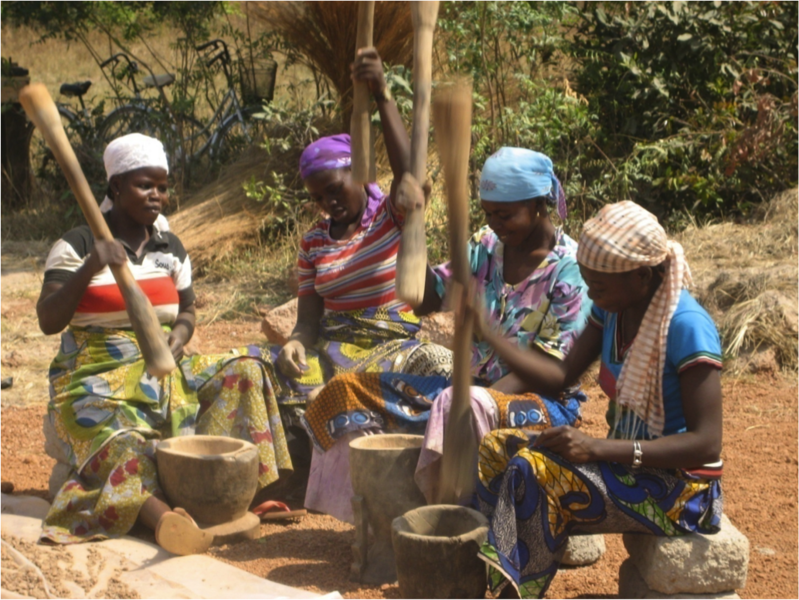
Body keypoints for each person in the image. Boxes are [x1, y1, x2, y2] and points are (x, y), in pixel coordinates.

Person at [301, 148, 592, 520]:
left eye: (505, 215)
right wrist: (411, 226)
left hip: (541, 405)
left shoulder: (569, 270)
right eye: (488, 213)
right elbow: (426, 300)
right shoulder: (487, 246)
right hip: (463, 391)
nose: (495, 224)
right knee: (346, 391)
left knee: (461, 406)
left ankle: (451, 522)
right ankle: (375, 520)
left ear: (538, 204)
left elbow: (552, 374)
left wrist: (479, 363)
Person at [37, 133, 292, 555]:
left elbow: (187, 310)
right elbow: (48, 319)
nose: (157, 195)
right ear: (116, 186)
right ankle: (164, 520)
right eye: (145, 185)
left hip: (164, 368)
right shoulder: (77, 244)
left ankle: (237, 495)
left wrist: (180, 335)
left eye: (162, 186)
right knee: (125, 442)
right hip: (93, 378)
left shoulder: (169, 247)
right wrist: (93, 264)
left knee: (245, 370)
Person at [470, 201, 723, 599]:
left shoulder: (686, 326)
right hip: (627, 464)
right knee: (496, 449)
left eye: (598, 286)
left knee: (535, 471)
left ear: (641, 276)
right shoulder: (613, 311)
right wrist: (490, 335)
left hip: (682, 489)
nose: (590, 294)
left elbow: (706, 443)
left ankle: (516, 594)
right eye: (588, 283)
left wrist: (596, 448)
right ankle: (490, 575)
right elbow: (560, 376)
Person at [261, 47, 452, 439]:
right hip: (332, 351)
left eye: (334, 190)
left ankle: (354, 419)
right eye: (317, 197)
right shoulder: (313, 242)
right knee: (253, 368)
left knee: (441, 366)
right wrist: (295, 343)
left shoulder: (391, 216)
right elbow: (308, 322)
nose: (327, 203)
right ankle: (286, 459)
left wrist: (381, 92)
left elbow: (410, 176)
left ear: (359, 173)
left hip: (391, 349)